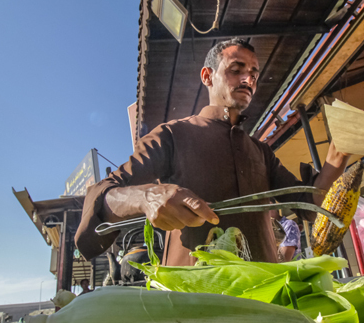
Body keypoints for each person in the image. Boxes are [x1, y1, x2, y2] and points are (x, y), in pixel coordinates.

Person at [76, 38, 349, 265]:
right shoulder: (172, 135)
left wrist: (338, 157)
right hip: (194, 301)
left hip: (264, 295)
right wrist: (147, 197)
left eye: (254, 73)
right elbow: (105, 194)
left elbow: (311, 206)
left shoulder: (261, 152)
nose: (248, 79)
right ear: (208, 76)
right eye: (236, 69)